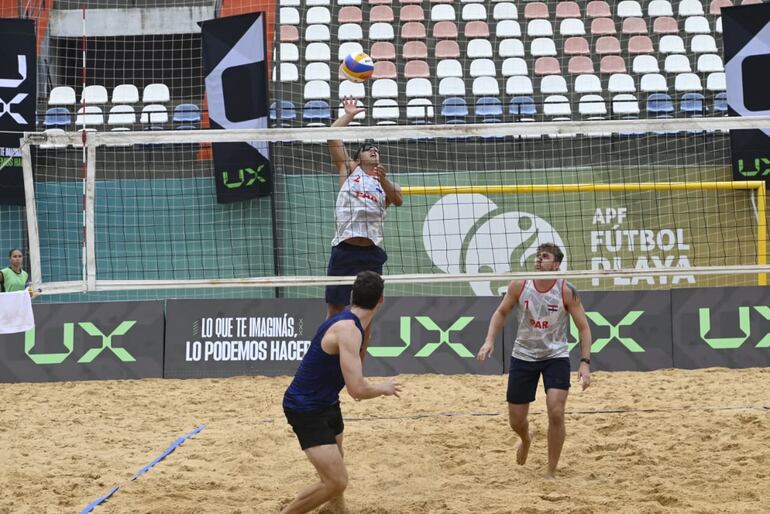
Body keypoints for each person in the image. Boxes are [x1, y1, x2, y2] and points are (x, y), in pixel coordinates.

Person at [281, 271, 402, 514]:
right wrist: (384, 389)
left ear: (352, 296)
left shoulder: (348, 322)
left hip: (326, 402)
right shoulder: (347, 330)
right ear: (381, 300)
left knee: (338, 456)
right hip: (305, 408)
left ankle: (336, 510)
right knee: (336, 481)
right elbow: (356, 390)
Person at [476, 243, 592, 480]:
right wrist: (489, 341)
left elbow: (584, 328)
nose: (538, 260)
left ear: (556, 265)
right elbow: (500, 313)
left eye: (545, 257)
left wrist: (584, 362)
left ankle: (551, 471)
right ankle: (526, 439)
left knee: (556, 411)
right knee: (516, 421)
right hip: (524, 355)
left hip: (555, 355)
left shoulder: (567, 290)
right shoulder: (520, 285)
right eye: (537, 256)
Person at [325, 97, 403, 321]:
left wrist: (384, 181)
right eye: (367, 149)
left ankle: (359, 355)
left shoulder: (384, 183)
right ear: (358, 159)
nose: (373, 150)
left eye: (375, 149)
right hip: (345, 249)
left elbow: (398, 200)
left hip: (370, 253)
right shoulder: (349, 170)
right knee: (335, 311)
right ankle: (327, 352)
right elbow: (332, 135)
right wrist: (349, 115)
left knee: (367, 313)